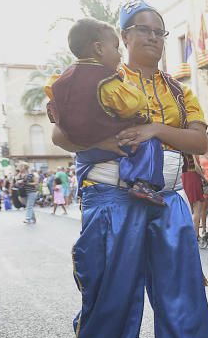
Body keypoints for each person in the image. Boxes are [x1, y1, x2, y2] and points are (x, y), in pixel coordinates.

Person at [50, 0, 208, 338]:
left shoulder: (179, 92)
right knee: (111, 290)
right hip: (112, 198)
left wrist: (155, 129)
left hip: (168, 199)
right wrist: (107, 145)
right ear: (123, 36)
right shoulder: (97, 77)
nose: (152, 37)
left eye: (159, 31)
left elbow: (200, 142)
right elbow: (61, 135)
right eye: (142, 30)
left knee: (182, 293)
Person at [46, 18, 166, 207]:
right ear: (99, 49)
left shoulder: (63, 79)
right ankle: (141, 182)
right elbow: (131, 104)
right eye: (116, 48)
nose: (119, 55)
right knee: (148, 142)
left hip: (84, 150)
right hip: (116, 144)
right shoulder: (104, 80)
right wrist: (134, 90)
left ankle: (82, 190)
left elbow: (57, 113)